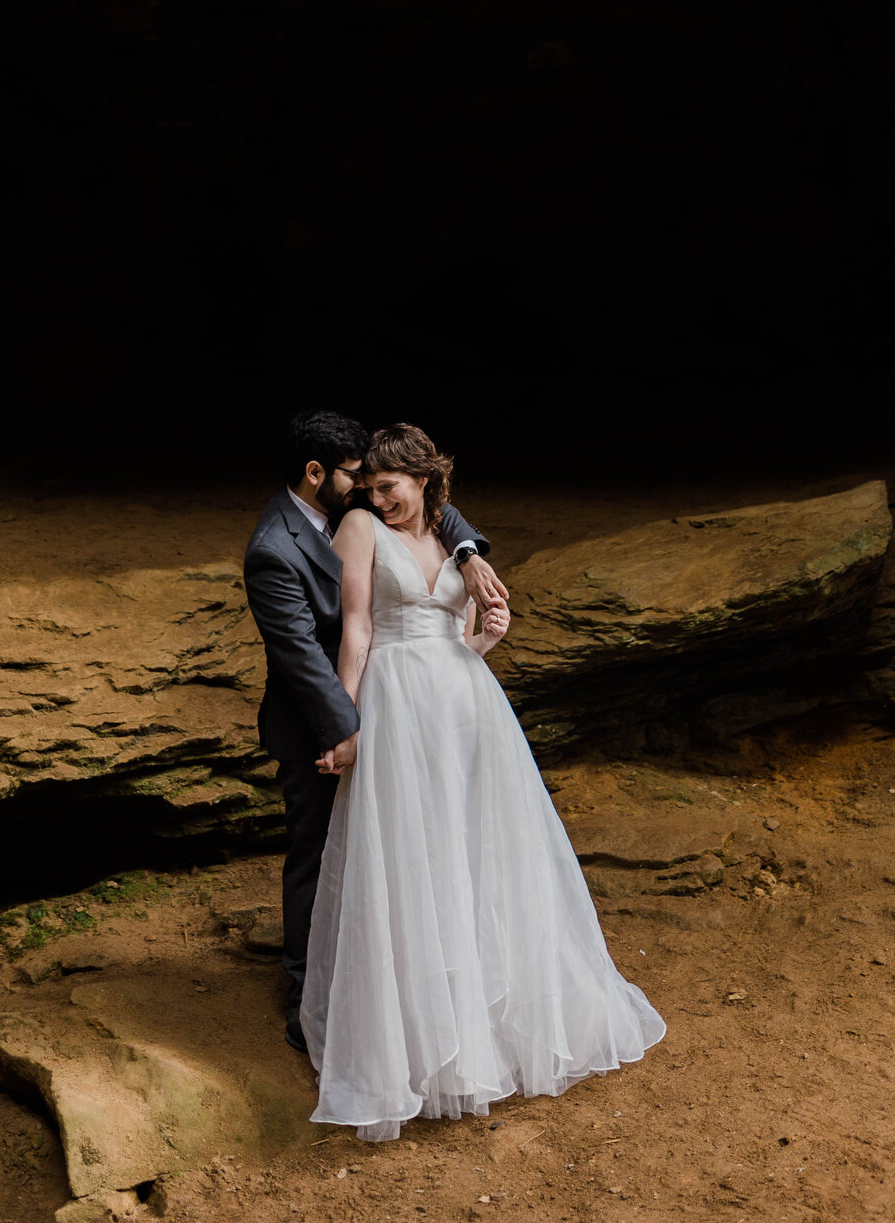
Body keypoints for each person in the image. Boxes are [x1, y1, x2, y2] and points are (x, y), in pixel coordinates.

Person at [301, 422, 665, 1141]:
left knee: (477, 851)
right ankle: (419, 1040)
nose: (379, 500)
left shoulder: (454, 544)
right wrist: (342, 726)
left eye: (391, 488)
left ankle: (489, 1031)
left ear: (426, 480)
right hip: (398, 704)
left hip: (467, 707)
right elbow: (357, 633)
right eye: (371, 490)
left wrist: (489, 635)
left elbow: (462, 639)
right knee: (413, 857)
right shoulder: (360, 533)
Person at [243, 408, 509, 1052]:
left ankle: (431, 970)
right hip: (323, 714)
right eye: (358, 479)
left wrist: (470, 556)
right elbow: (304, 657)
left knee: (427, 836)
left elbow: (437, 510)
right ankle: (312, 994)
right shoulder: (274, 549)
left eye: (383, 482)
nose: (368, 490)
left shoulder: (374, 508)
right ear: (316, 476)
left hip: (420, 699)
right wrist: (347, 729)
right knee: (321, 853)